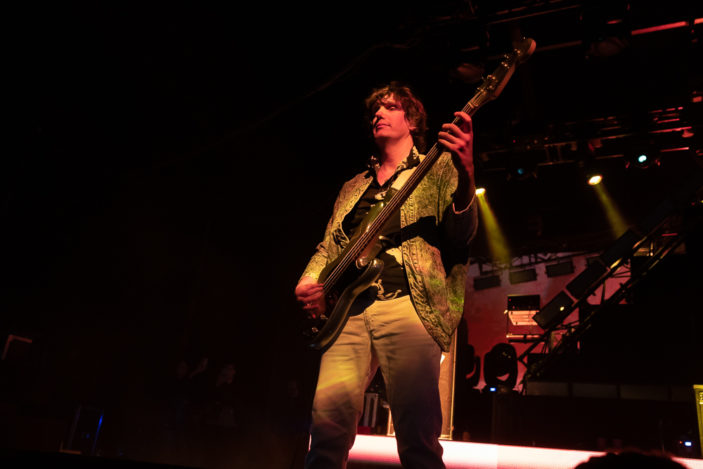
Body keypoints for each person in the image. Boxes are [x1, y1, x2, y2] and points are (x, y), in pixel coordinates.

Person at [294, 81, 478, 469]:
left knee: (417, 436)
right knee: (326, 432)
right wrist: (310, 280)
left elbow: (461, 236)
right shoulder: (353, 186)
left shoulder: (438, 168)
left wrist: (467, 173)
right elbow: (329, 246)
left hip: (409, 308)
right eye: (376, 109)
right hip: (347, 315)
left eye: (390, 107)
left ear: (412, 121)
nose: (378, 113)